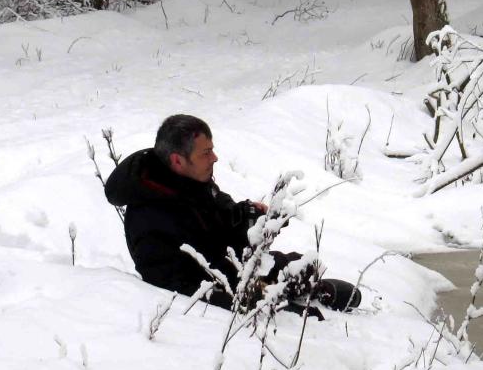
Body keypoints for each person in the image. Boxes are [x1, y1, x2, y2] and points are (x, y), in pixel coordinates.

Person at [104, 114, 360, 312]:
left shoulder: (190, 180)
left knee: (302, 264)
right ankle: (293, 295)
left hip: (231, 266)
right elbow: (175, 285)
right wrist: (258, 299)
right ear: (177, 160)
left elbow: (220, 217)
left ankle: (300, 288)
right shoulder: (148, 216)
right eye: (206, 153)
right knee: (279, 283)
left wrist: (251, 217)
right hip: (215, 287)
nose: (214, 158)